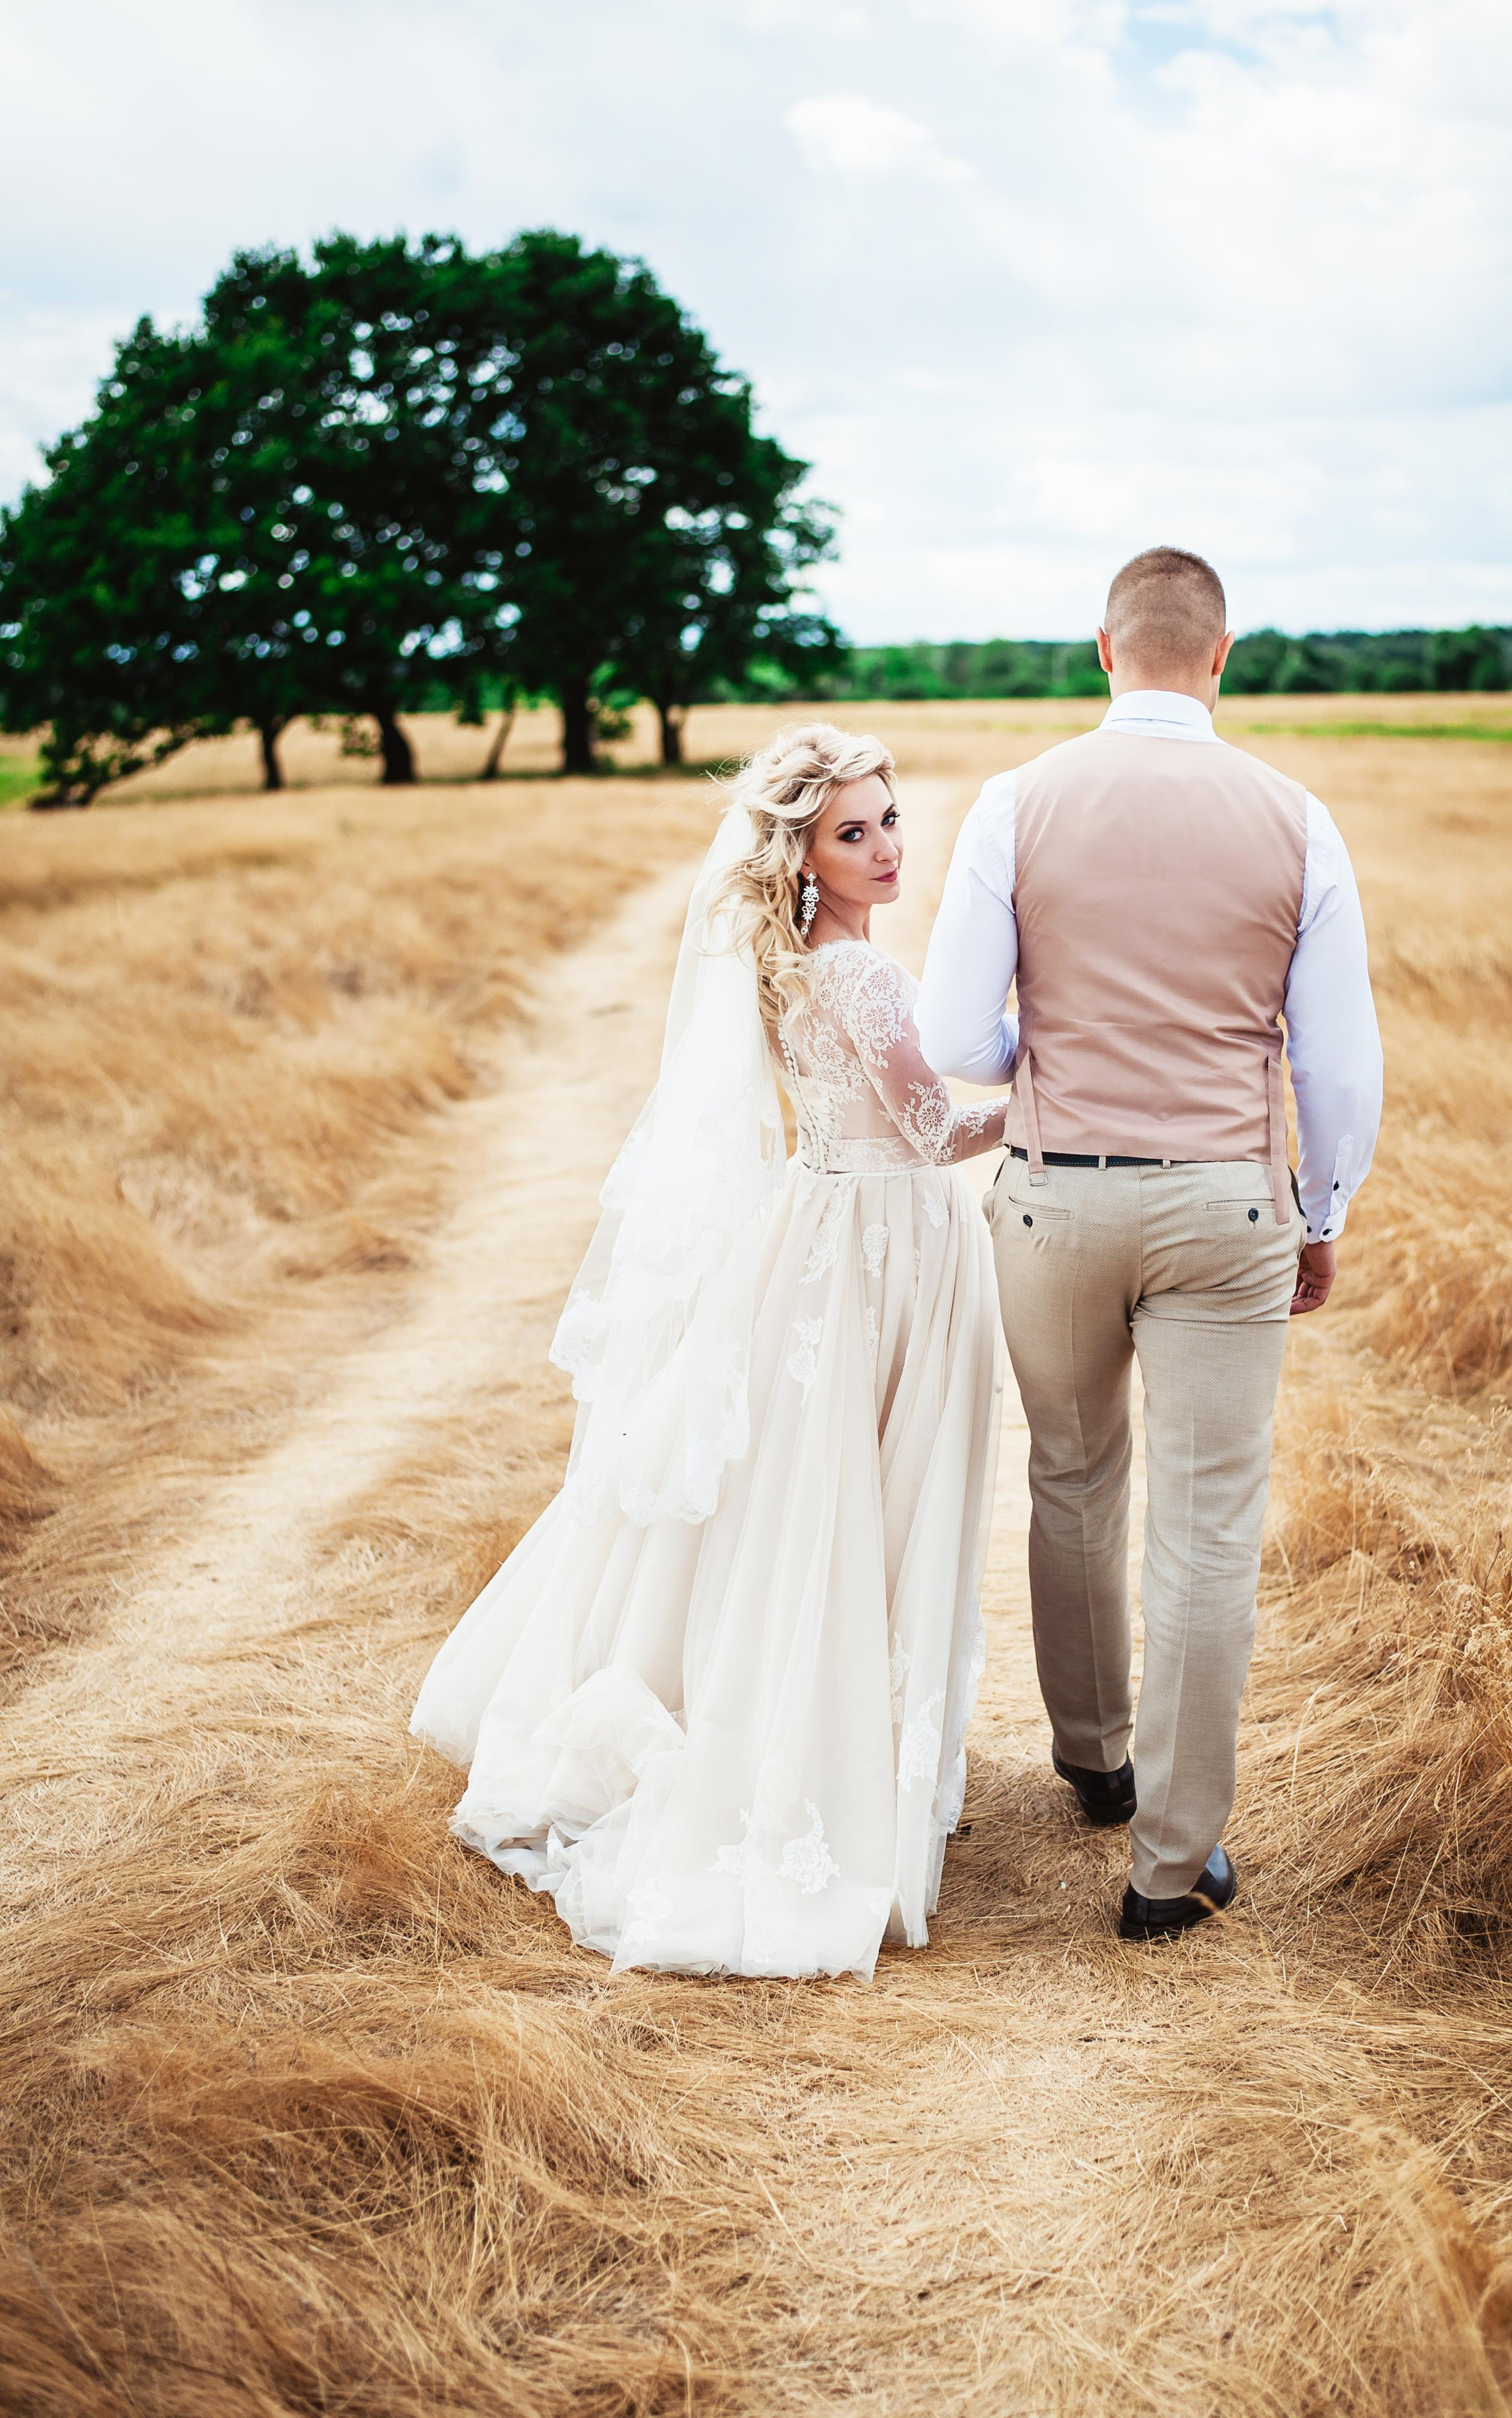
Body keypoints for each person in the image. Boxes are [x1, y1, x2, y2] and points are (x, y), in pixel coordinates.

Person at [411, 724, 1008, 1980]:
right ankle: (824, 1745)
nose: (888, 845)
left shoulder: (796, 961)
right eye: (854, 831)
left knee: (799, 1493)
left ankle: (809, 1711)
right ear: (801, 852)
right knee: (851, 1492)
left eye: (890, 817)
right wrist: (1057, 1087)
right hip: (878, 1247)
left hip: (824, 1231)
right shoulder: (862, 977)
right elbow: (930, 1129)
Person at [917, 546, 1383, 1944]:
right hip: (1225, 1204)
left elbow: (947, 1038)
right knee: (1206, 1526)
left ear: (1103, 652)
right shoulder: (1296, 818)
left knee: (1067, 1471)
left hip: (1053, 1195)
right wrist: (1322, 1212)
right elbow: (1336, 1067)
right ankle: (1169, 1866)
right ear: (1221, 656)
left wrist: (1036, 1055)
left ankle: (1092, 1755)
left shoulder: (1014, 802)